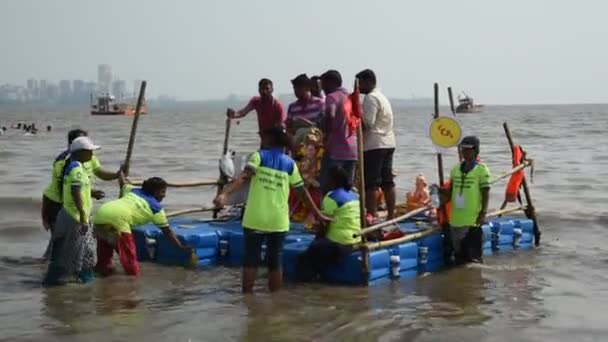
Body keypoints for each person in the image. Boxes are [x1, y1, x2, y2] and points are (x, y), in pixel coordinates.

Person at [213, 126, 327, 294]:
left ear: (269, 140)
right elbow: (302, 192)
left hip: (255, 218)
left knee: (251, 259)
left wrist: (224, 194)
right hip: (278, 220)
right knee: (275, 261)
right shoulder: (290, 164)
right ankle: (275, 300)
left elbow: (243, 178)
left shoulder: (258, 157)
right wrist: (318, 213)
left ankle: (247, 299)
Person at [41, 129, 121, 260]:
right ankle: (56, 267)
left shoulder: (89, 156)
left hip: (76, 204)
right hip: (58, 203)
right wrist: (89, 193)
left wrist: (116, 175)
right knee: (61, 241)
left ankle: (67, 265)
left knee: (74, 241)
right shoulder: (63, 162)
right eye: (86, 145)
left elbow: (99, 172)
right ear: (75, 146)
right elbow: (67, 188)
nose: (91, 150)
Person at [93, 173, 190, 276]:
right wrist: (180, 246)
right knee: (130, 261)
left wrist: (121, 173)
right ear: (156, 192)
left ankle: (101, 277)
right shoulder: (156, 209)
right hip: (118, 220)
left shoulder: (133, 190)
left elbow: (123, 183)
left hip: (101, 215)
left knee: (104, 256)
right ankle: (132, 285)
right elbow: (167, 232)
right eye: (163, 192)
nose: (164, 195)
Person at [43, 137, 100, 286]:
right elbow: (75, 192)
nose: (92, 155)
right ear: (80, 152)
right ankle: (84, 280)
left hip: (70, 214)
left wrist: (92, 193)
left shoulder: (75, 166)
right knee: (84, 250)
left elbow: (79, 189)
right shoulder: (76, 169)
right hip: (75, 216)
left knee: (69, 249)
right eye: (90, 151)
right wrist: (82, 213)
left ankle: (57, 280)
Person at [297, 165, 361, 281]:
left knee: (305, 258)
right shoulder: (355, 196)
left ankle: (308, 286)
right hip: (356, 241)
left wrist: (315, 242)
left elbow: (324, 226)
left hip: (340, 243)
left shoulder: (331, 197)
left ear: (332, 180)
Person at [441, 136, 490, 265]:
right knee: (459, 254)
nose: (464, 152)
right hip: (455, 219)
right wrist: (439, 192)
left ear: (475, 151)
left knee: (473, 257)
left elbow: (485, 193)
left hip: (472, 219)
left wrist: (483, 213)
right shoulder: (455, 170)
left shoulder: (481, 170)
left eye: (468, 150)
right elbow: (450, 194)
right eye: (462, 149)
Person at [356, 69, 397, 221]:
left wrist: (355, 117)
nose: (358, 87)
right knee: (387, 181)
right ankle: (391, 216)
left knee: (371, 184)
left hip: (375, 144)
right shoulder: (383, 97)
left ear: (368, 82)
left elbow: (367, 123)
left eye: (360, 83)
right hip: (388, 141)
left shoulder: (371, 98)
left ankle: (371, 217)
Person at [319, 70, 357, 193]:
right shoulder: (350, 97)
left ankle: (328, 210)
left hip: (336, 151)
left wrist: (326, 135)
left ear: (331, 82)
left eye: (323, 84)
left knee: (328, 187)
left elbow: (330, 115)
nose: (322, 88)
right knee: (347, 187)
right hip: (352, 149)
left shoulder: (332, 96)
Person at [226, 78, 286, 144]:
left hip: (277, 141)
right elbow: (242, 112)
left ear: (272, 90)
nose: (264, 91)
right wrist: (233, 114)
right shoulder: (256, 101)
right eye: (262, 89)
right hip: (264, 140)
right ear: (258, 90)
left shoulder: (277, 106)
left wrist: (270, 131)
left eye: (267, 89)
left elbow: (282, 126)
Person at [286, 73, 326, 148]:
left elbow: (324, 126)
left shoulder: (320, 104)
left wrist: (306, 124)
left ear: (308, 88)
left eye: (299, 88)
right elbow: (288, 127)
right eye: (294, 88)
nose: (296, 91)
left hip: (317, 148)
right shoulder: (292, 107)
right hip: (299, 147)